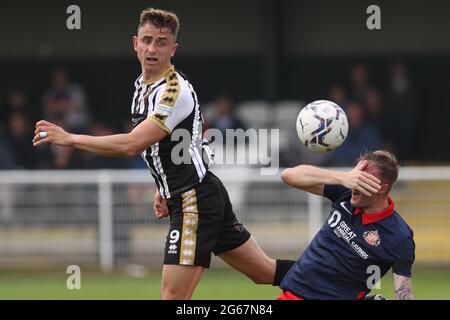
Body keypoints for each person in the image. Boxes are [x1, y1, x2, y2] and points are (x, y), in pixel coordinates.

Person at [33, 8, 293, 300]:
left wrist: (70, 138)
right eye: (147, 40)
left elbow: (132, 144)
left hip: (193, 198)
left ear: (173, 48)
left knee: (172, 298)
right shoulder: (142, 85)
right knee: (264, 273)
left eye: (161, 42)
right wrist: (162, 187)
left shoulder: (173, 90)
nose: (152, 48)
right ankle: (335, 280)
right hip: (198, 191)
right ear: (135, 43)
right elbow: (175, 145)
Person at [278, 150, 415, 300]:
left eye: (364, 179)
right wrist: (343, 177)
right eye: (356, 175)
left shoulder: (399, 236)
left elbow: (404, 293)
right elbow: (289, 176)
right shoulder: (345, 192)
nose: (356, 181)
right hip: (292, 294)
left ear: (382, 188)